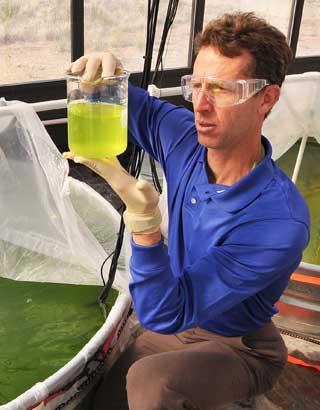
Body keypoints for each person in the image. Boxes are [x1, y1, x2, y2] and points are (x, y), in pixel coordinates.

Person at [65, 12, 310, 410]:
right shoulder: (186, 140)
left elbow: (164, 312)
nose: (201, 105)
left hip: (241, 344)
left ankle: (244, 398)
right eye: (195, 85)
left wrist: (146, 225)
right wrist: (109, 76)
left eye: (222, 89)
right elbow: (135, 107)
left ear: (267, 98)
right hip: (182, 323)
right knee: (105, 399)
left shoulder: (278, 221)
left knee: (150, 385)